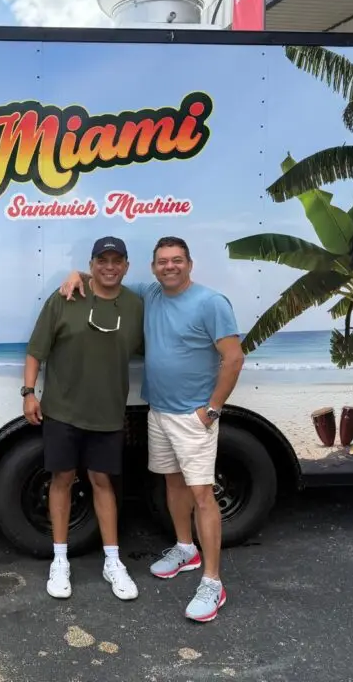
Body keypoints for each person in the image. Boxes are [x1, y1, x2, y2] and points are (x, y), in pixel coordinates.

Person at [58, 235, 243, 622]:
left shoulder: (211, 303)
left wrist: (211, 409)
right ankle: (185, 549)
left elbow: (233, 358)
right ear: (153, 267)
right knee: (173, 484)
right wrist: (75, 274)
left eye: (177, 260)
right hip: (158, 410)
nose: (169, 267)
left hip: (193, 416)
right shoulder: (151, 294)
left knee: (202, 495)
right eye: (162, 261)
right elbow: (107, 279)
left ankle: (213, 583)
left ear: (190, 264)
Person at [23, 236, 145, 601]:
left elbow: (170, 292)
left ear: (126, 266)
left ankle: (113, 562)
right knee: (62, 479)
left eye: (117, 261)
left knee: (102, 481)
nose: (110, 267)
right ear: (92, 264)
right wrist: (28, 393)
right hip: (62, 410)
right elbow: (36, 350)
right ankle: (60, 560)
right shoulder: (66, 297)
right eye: (102, 260)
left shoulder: (136, 304)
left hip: (108, 413)